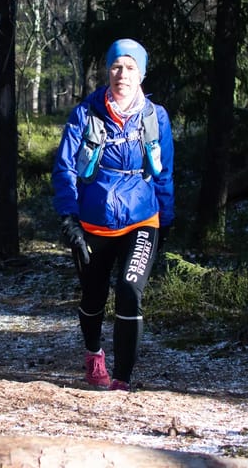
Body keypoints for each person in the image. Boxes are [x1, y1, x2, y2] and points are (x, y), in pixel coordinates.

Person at [52, 38, 175, 391]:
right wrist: (69, 218)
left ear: (142, 74)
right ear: (108, 71)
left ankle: (122, 379)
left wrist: (166, 220)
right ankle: (94, 353)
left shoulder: (156, 118)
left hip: (142, 220)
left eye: (131, 67)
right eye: (116, 67)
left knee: (129, 289)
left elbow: (164, 173)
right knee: (93, 297)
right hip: (93, 222)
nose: (123, 74)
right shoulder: (85, 114)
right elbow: (64, 169)